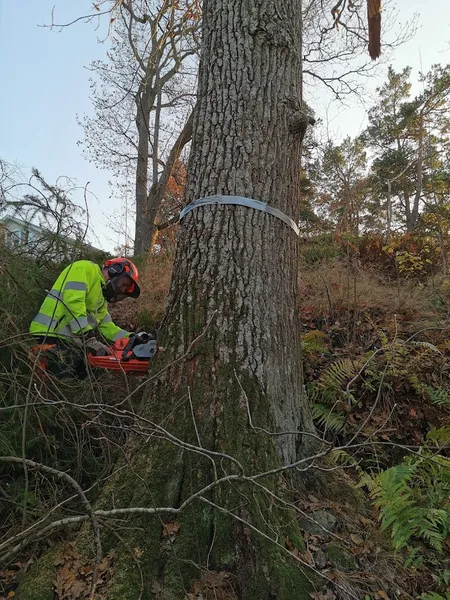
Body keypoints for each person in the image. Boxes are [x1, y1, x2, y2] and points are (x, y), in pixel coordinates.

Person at [29, 257, 143, 378]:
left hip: (66, 340)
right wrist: (88, 338)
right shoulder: (86, 269)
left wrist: (131, 338)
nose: (122, 289)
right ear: (115, 270)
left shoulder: (101, 298)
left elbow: (107, 326)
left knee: (83, 373)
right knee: (65, 378)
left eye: (125, 289)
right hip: (49, 333)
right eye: (124, 284)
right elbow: (73, 302)